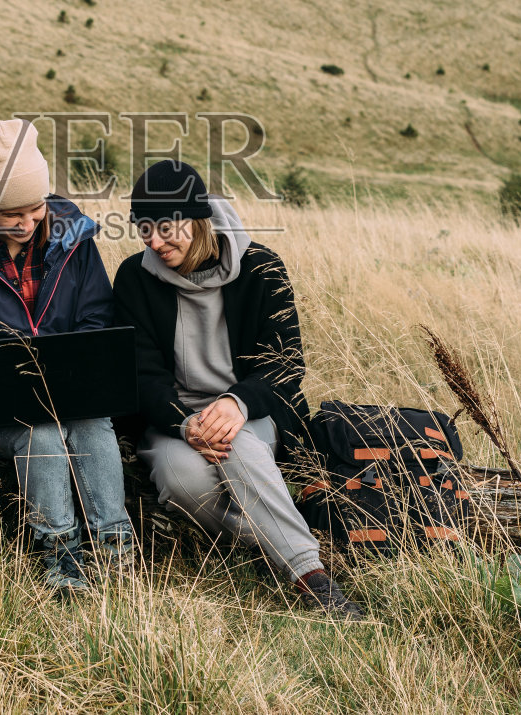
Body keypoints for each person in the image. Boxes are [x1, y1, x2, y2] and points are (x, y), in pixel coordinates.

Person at [112, 160, 364, 620]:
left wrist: (237, 402)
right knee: (181, 479)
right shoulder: (135, 278)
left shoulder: (262, 267)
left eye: (166, 227)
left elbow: (286, 364)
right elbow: (138, 375)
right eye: (143, 227)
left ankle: (312, 577)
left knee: (241, 451)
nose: (153, 240)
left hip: (251, 412)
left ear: (199, 220)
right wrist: (186, 423)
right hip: (172, 419)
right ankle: (272, 542)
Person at [0, 118, 134, 593]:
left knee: (92, 425)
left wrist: (77, 367)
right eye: (11, 215)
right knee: (40, 432)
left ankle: (115, 551)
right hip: (4, 406)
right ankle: (61, 557)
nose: (26, 224)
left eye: (35, 209)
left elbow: (96, 318)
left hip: (75, 392)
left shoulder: (74, 240)